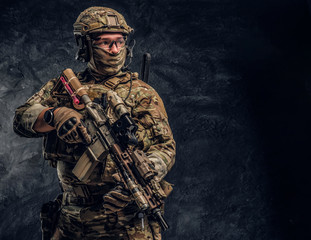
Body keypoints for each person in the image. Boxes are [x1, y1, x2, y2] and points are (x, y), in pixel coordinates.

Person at [13, 6, 175, 240]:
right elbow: (21, 118)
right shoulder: (63, 88)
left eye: (120, 42)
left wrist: (143, 176)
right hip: (72, 219)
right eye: (105, 42)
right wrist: (54, 115)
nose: (114, 49)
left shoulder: (142, 93)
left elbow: (165, 147)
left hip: (125, 223)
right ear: (85, 45)